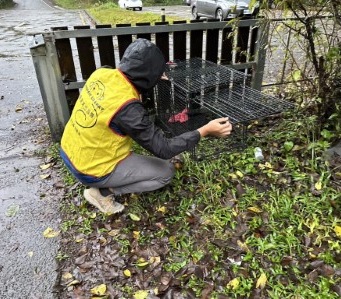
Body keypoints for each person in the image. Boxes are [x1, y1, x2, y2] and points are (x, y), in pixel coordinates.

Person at [60, 38, 232, 214]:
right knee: (165, 172)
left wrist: (154, 77)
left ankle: (102, 180)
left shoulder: (102, 74)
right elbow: (164, 149)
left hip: (69, 149)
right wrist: (205, 130)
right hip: (89, 169)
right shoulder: (128, 109)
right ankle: (102, 192)